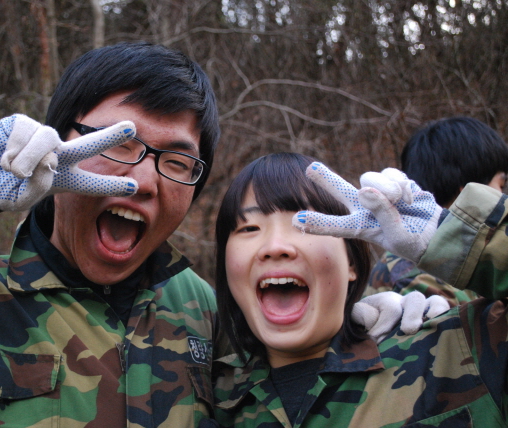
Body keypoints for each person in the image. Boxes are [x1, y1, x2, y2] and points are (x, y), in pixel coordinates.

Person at [0, 41, 221, 428]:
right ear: (54, 142)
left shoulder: (204, 311)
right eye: (118, 144)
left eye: (178, 161)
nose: (145, 182)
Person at [209, 154, 506, 427]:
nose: (275, 247)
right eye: (249, 228)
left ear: (351, 262)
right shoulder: (206, 395)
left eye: (304, 223)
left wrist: (460, 238)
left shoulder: (460, 350)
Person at [368, 117, 508, 306]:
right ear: (470, 191)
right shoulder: (419, 278)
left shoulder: (444, 256)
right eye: (501, 184)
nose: (502, 197)